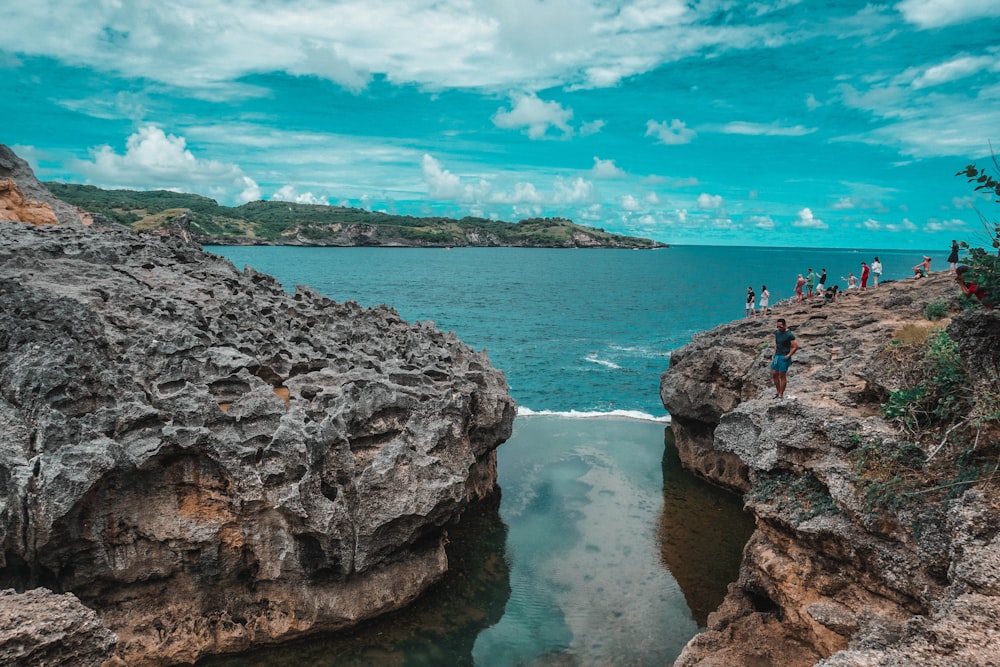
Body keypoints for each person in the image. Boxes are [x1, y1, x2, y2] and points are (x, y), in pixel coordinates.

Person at [770, 318, 798, 399]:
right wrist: (774, 354)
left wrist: (788, 355)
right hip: (777, 356)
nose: (779, 328)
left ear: (785, 325)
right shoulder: (777, 333)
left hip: (784, 357)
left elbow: (795, 346)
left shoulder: (789, 335)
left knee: (782, 375)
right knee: (774, 373)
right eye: (778, 327)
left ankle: (781, 394)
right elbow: (776, 344)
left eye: (781, 327)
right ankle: (777, 392)